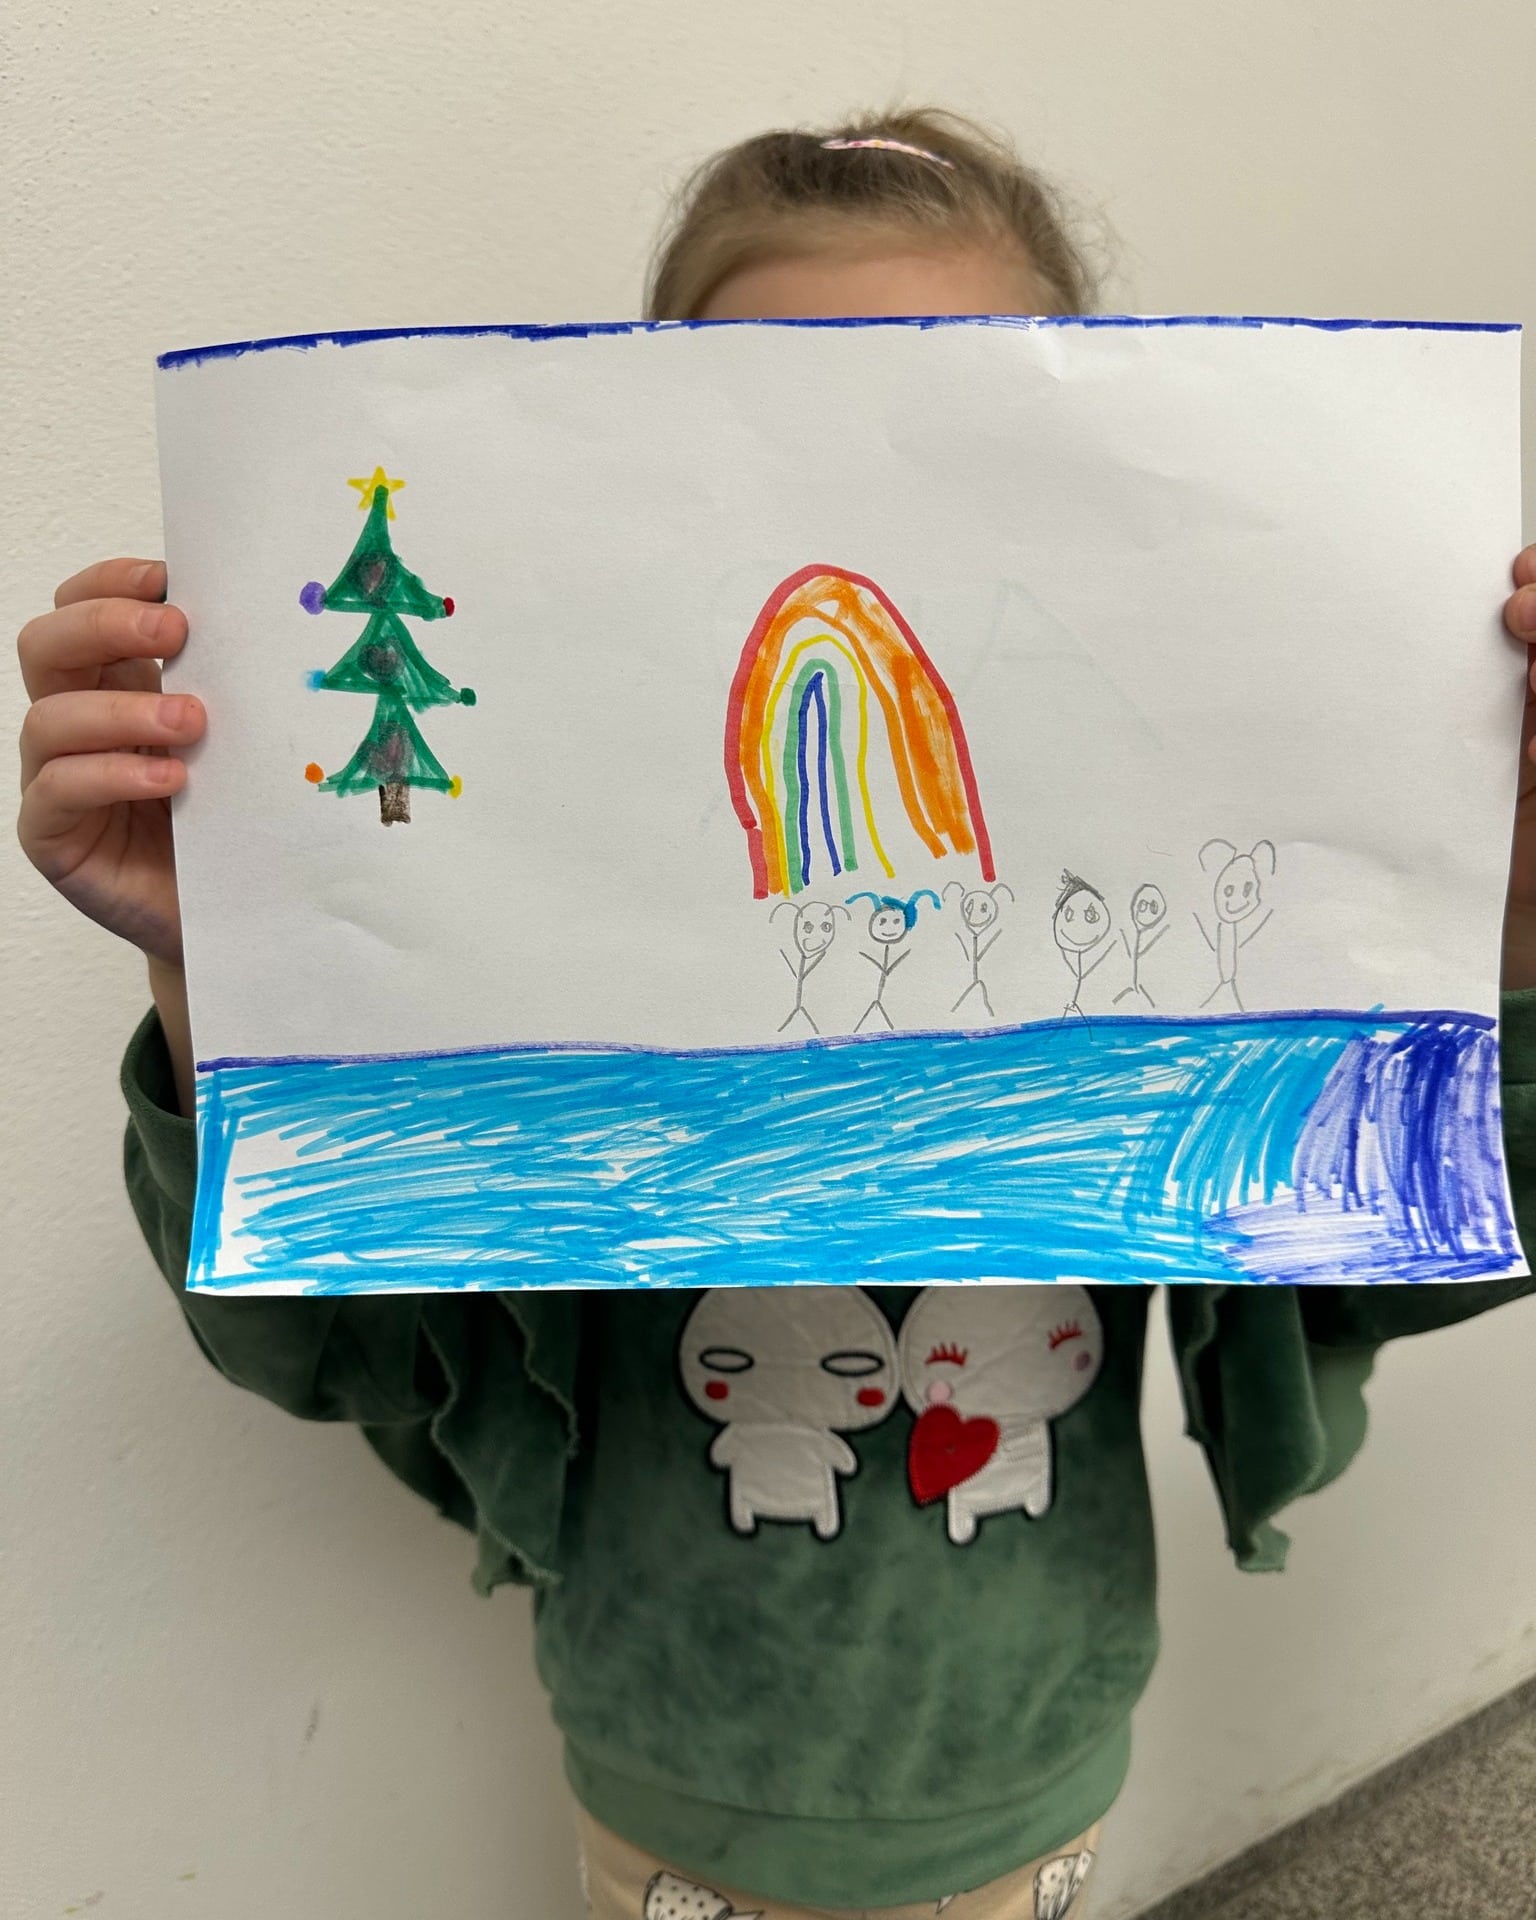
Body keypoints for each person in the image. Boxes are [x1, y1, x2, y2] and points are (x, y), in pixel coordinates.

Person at [16, 108, 1536, 1920]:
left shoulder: (1143, 924)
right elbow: (324, 1344)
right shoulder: (545, 932)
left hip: (1035, 1758)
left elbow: (1397, 1256)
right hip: (671, 1786)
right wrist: (220, 966)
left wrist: (1503, 921)